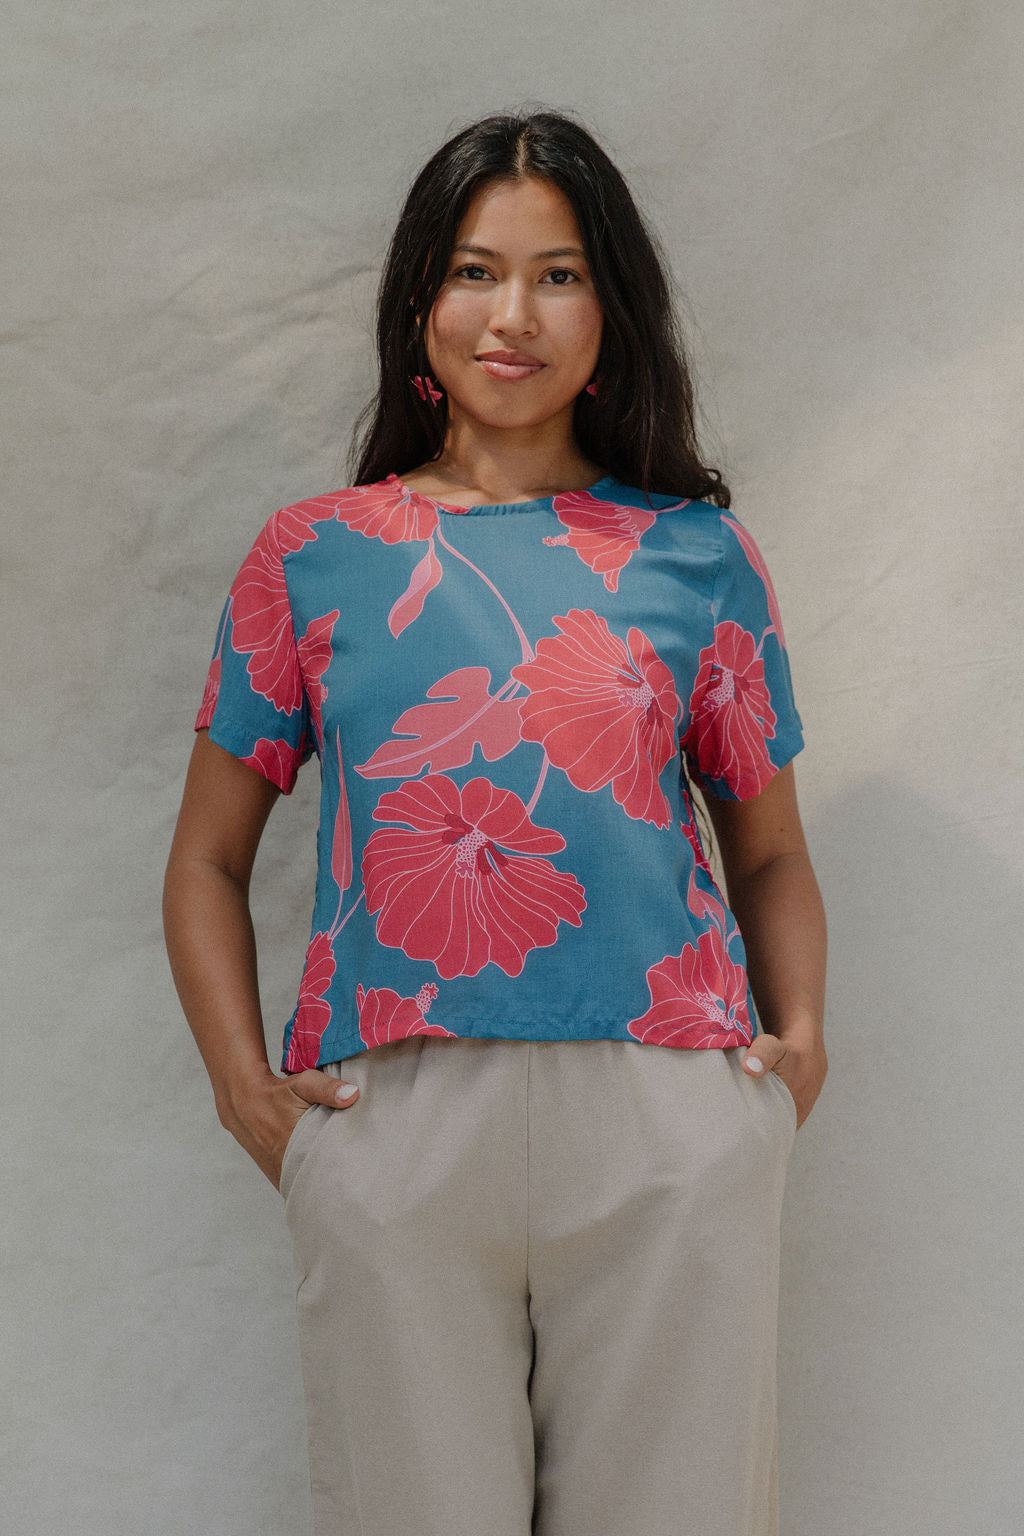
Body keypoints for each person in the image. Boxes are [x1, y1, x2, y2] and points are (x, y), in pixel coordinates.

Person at [163, 107, 827, 1536]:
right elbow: (209, 861)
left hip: (666, 1120)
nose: (511, 314)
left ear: (613, 314)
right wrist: (245, 1089)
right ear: (420, 301)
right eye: (475, 271)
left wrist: (792, 1057)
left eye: (560, 274)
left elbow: (766, 844)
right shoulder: (315, 559)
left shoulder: (698, 558)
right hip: (396, 1122)